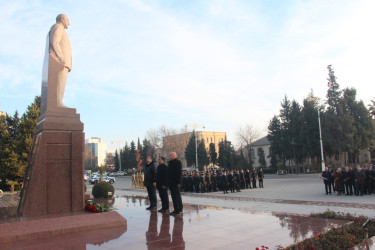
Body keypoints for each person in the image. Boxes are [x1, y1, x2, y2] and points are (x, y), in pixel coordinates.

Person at [43, 14, 72, 111]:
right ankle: (58, 103)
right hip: (60, 63)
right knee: (59, 83)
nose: (69, 23)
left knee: (61, 84)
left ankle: (59, 101)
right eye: (68, 20)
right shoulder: (58, 27)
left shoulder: (60, 29)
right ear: (62, 19)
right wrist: (60, 57)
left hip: (63, 64)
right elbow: (54, 41)